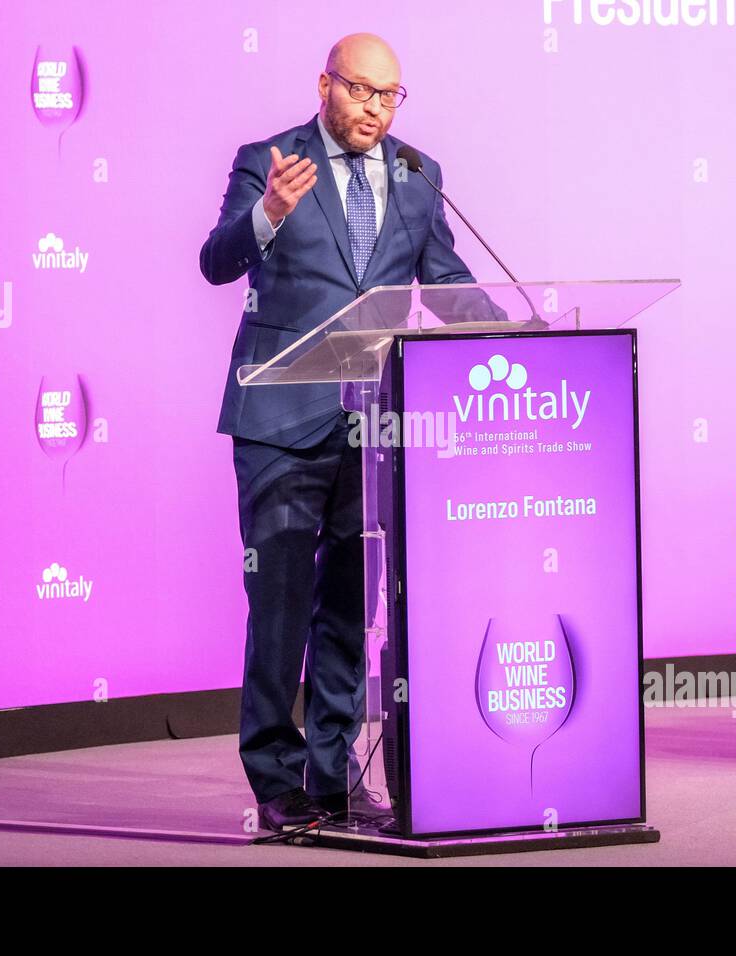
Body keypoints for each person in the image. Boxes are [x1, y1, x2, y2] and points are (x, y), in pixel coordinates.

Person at [199, 32, 487, 832]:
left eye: (390, 95)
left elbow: (448, 280)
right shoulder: (269, 160)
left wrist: (515, 335)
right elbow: (216, 262)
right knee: (281, 606)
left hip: (373, 425)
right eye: (362, 92)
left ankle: (333, 777)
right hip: (280, 422)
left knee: (346, 609)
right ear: (324, 84)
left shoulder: (418, 174)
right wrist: (267, 215)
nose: (375, 110)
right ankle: (275, 782)